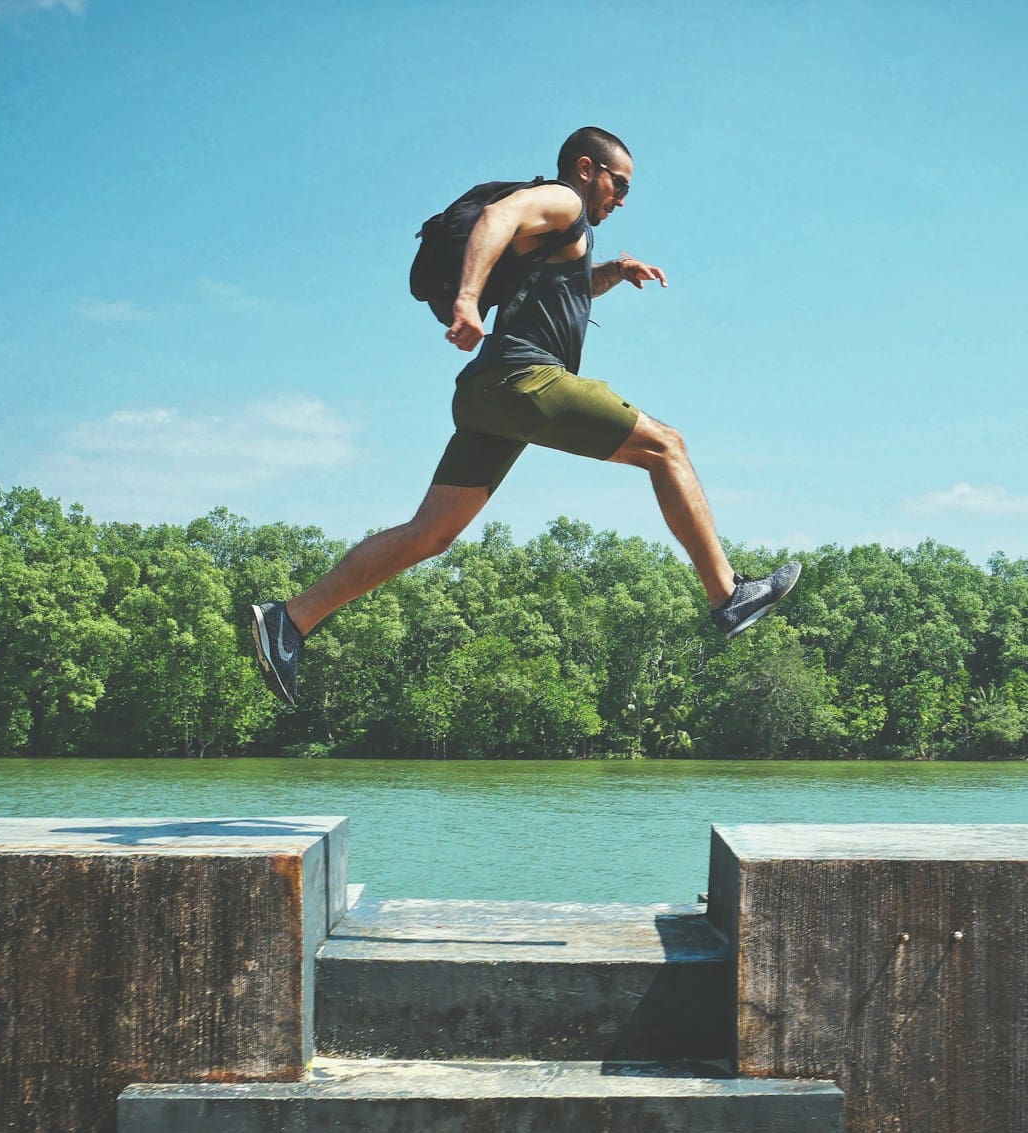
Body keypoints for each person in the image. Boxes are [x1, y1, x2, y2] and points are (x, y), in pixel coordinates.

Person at [251, 126, 799, 705]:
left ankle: (290, 620)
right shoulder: (562, 199)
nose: (622, 199)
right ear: (587, 169)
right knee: (666, 445)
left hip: (487, 394)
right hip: (522, 381)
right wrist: (466, 299)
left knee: (429, 534)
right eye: (620, 185)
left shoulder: (562, 235)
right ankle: (728, 594)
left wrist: (610, 273)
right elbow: (497, 219)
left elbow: (559, 289)